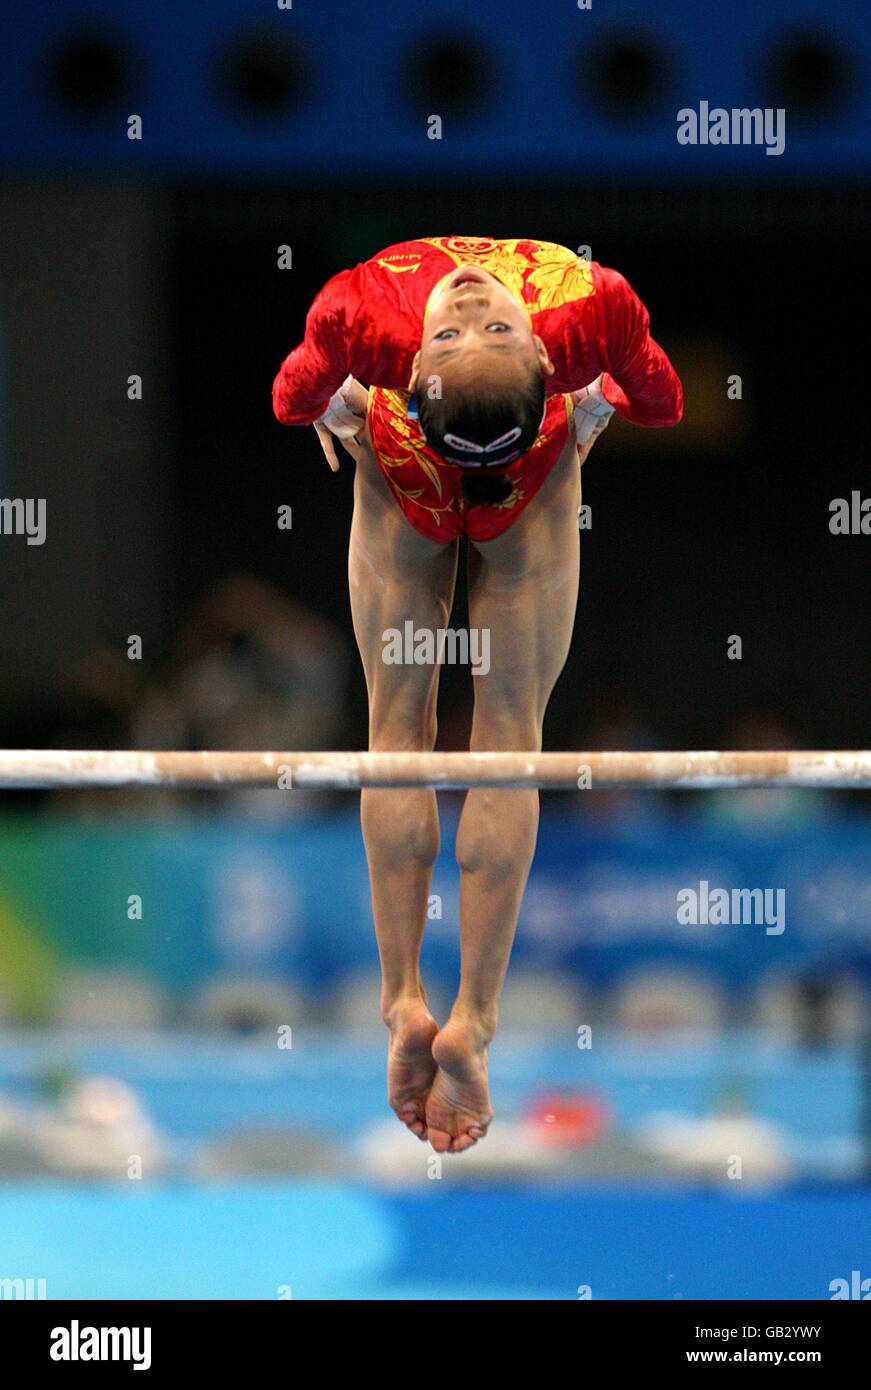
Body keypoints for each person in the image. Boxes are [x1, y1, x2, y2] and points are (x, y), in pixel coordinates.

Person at [273, 236, 682, 1153]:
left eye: (489, 325)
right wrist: (599, 397)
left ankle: (403, 1005)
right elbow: (661, 398)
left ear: (542, 354)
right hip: (520, 473)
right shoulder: (589, 308)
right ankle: (474, 1021)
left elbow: (286, 396)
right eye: (462, 329)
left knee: (397, 736)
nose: (466, 304)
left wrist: (335, 402)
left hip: (409, 462)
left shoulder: (366, 312)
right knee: (508, 739)